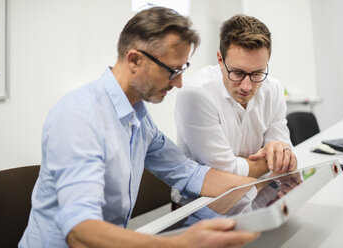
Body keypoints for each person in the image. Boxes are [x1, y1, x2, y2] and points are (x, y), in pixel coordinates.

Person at [19, 7, 261, 248]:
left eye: (182, 69)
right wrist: (180, 243)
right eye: (173, 71)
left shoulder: (138, 118)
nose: (179, 83)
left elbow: (189, 174)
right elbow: (81, 230)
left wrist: (257, 185)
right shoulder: (79, 117)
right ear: (135, 60)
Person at [172, 14, 297, 206]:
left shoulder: (273, 88)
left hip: (260, 195)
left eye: (257, 73)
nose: (247, 86)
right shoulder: (195, 95)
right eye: (237, 73)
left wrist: (281, 155)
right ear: (220, 60)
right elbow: (225, 174)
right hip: (201, 207)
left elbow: (283, 151)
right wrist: (274, 163)